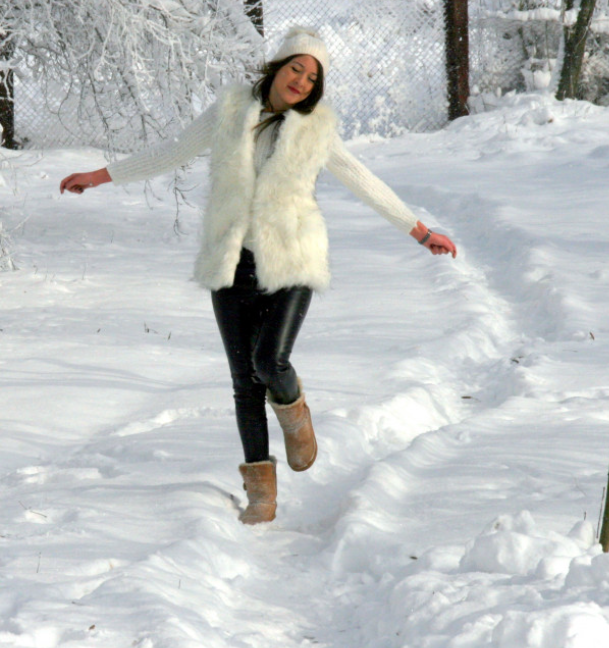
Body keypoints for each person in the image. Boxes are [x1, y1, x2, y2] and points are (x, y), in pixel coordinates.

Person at [59, 27, 457, 525]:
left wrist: (420, 231)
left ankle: (295, 411)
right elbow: (172, 152)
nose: (303, 81)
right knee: (244, 382)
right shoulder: (229, 112)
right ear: (279, 65)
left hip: (292, 259)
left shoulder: (316, 131)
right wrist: (99, 176)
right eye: (297, 68)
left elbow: (361, 179)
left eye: (314, 77)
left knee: (270, 360)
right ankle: (261, 493)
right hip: (232, 261)